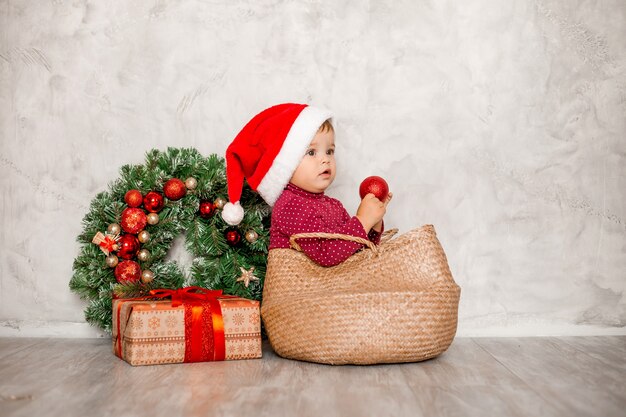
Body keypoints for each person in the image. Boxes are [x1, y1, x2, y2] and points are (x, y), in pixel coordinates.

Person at [221, 103, 392, 267]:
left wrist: (374, 222)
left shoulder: (333, 205)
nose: (325, 159)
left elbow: (356, 252)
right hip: (300, 293)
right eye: (311, 152)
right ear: (287, 164)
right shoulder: (290, 205)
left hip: (331, 289)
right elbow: (325, 254)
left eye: (329, 151)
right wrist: (362, 221)